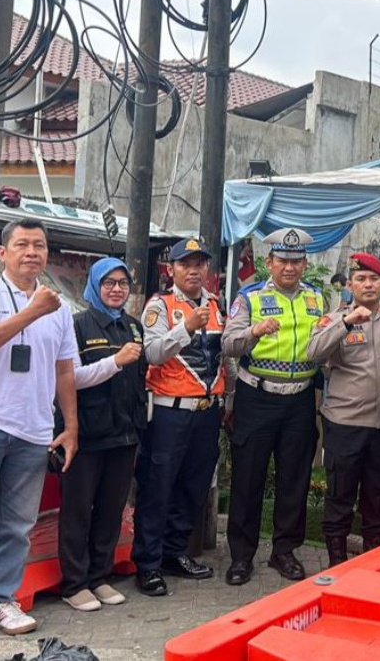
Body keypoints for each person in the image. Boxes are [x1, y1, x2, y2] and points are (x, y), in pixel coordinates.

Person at [0, 219, 78, 635]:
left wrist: (70, 426)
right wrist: (32, 311)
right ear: (2, 253)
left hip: (34, 430)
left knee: (17, 525)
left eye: (39, 245)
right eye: (22, 244)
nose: (32, 252)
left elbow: (64, 370)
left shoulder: (61, 307)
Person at [221, 229, 321, 585]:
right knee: (248, 477)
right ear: (269, 263)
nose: (289, 267)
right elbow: (228, 344)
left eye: (296, 261)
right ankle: (241, 556)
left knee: (295, 478)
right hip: (258, 397)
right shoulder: (249, 298)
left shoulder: (316, 298)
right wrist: (254, 332)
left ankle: (284, 551)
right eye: (282, 261)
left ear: (305, 264)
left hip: (300, 399)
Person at [307, 253, 380, 565]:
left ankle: (372, 563)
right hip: (345, 423)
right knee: (340, 496)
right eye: (361, 279)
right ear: (350, 285)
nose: (368, 284)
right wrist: (345, 323)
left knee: (377, 497)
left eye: (374, 279)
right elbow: (314, 352)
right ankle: (336, 562)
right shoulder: (334, 319)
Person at [134, 238, 227, 596]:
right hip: (169, 412)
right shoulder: (160, 305)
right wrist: (185, 327)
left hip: (207, 412)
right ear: (171, 269)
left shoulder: (216, 305)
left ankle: (174, 552)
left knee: (193, 487)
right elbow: (153, 353)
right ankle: (148, 564)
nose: (193, 270)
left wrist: (229, 401)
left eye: (199, 263)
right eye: (185, 264)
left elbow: (223, 359)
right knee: (158, 487)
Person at [59, 258, 147, 612]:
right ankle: (74, 583)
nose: (116, 289)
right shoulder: (76, 325)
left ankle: (99, 576)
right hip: (86, 433)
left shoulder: (134, 326)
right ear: (94, 286)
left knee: (111, 510)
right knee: (78, 511)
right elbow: (70, 378)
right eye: (108, 283)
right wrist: (115, 361)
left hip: (124, 433)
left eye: (122, 283)